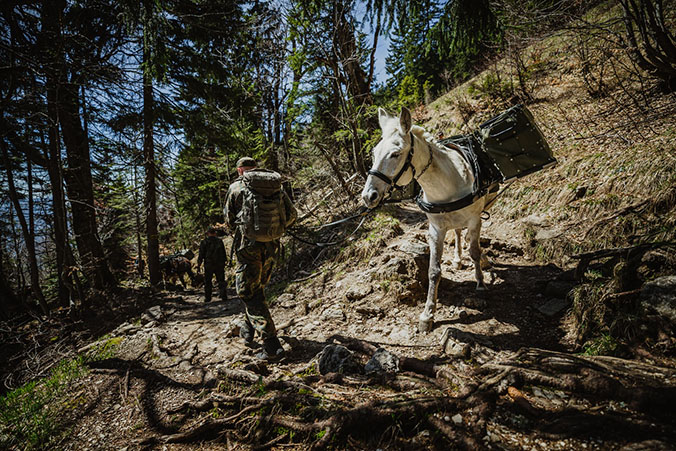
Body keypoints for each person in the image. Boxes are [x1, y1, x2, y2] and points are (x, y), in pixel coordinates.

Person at [225, 157, 297, 360]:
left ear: (240, 171)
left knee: (248, 293)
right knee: (258, 288)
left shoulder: (236, 188)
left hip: (248, 247)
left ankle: (271, 344)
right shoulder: (274, 187)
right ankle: (248, 330)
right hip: (272, 245)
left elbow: (229, 220)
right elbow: (292, 215)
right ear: (255, 170)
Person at [197, 227, 227, 302]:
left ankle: (208, 297)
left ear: (208, 233)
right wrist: (225, 262)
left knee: (208, 281)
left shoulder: (204, 242)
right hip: (219, 264)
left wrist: (199, 264)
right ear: (215, 233)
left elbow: (201, 254)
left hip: (209, 264)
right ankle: (223, 296)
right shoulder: (219, 241)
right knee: (221, 280)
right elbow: (223, 253)